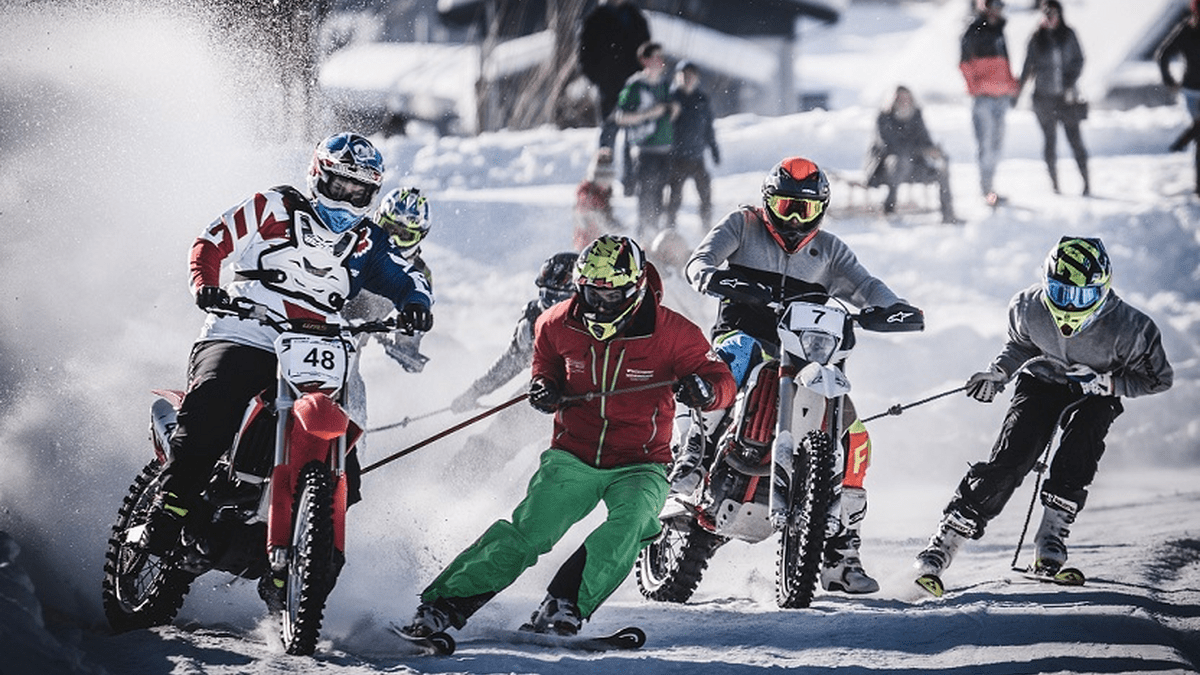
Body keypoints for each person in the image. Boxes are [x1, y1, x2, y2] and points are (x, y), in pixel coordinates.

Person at [399, 234, 735, 638]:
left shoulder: (673, 332)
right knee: (530, 532)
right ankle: (441, 606)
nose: (601, 306)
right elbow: (545, 367)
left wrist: (706, 391)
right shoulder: (555, 323)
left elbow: (722, 380)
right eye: (592, 295)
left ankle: (564, 604)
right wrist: (545, 387)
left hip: (640, 462)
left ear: (635, 289)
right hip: (574, 455)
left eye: (612, 296)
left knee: (635, 521)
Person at [144, 133, 435, 558]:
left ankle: (295, 555)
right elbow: (212, 240)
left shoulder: (368, 240)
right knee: (215, 404)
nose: (348, 198)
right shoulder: (273, 205)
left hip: (316, 346)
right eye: (340, 185)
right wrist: (205, 283)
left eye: (359, 191)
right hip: (246, 328)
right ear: (318, 175)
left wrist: (417, 305)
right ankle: (169, 505)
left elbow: (408, 277)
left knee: (347, 467)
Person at [681, 157, 923, 594]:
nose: (794, 219)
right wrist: (716, 278)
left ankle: (841, 554)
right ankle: (693, 451)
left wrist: (893, 308)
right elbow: (699, 262)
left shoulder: (829, 250)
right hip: (744, 338)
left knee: (856, 437)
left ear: (821, 210)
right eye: (785, 206)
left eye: (805, 209)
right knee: (736, 354)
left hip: (803, 357)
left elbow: (866, 285)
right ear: (767, 202)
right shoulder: (742, 225)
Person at [913, 237, 1173, 587]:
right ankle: (943, 544)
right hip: (1040, 382)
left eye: (1081, 296)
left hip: (1095, 391)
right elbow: (1021, 346)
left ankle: (1051, 536)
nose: (1070, 304)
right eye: (1060, 292)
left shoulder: (1132, 328)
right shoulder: (1027, 306)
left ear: (1103, 290)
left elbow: (1157, 379)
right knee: (1011, 459)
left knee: (1080, 450)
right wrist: (999, 373)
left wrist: (1108, 383)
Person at [343, 187, 436, 445]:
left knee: (355, 405)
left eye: (404, 235)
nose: (393, 240)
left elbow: (411, 332)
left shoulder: (419, 276)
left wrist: (407, 346)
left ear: (419, 237)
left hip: (351, 348)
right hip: (315, 324)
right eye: (389, 228)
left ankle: (353, 457)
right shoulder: (352, 240)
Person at [450, 252, 579, 415]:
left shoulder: (597, 320)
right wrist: (474, 392)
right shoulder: (534, 322)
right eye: (546, 295)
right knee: (511, 419)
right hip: (549, 392)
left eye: (559, 297)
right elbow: (510, 363)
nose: (551, 304)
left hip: (592, 400)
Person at [1017, 0, 1089, 196]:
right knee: (1050, 143)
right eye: (1046, 13)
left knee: (1075, 141)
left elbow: (1079, 60)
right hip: (1044, 99)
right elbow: (1027, 68)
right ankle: (1055, 185)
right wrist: (1017, 93)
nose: (1050, 17)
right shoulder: (1036, 39)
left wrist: (1070, 81)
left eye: (1053, 13)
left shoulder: (1069, 35)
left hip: (1067, 98)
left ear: (1059, 15)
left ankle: (1086, 182)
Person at [864, 85, 960, 224]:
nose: (904, 102)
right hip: (886, 170)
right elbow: (889, 147)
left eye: (907, 98)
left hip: (915, 168)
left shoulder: (916, 115)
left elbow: (925, 140)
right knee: (901, 160)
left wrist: (934, 151)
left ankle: (948, 214)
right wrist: (920, 150)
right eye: (900, 98)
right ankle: (889, 206)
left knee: (942, 164)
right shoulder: (884, 118)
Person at [960, 0, 1021, 206]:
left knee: (997, 146)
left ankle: (991, 187)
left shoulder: (999, 31)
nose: (997, 11)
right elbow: (964, 63)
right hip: (984, 99)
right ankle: (986, 190)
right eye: (993, 6)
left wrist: (1011, 85)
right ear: (985, 8)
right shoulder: (974, 30)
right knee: (985, 146)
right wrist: (975, 87)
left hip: (1002, 98)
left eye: (999, 7)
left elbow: (1004, 63)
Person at [616, 42, 679, 238]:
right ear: (645, 60)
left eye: (662, 57)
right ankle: (643, 235)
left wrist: (673, 110)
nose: (661, 61)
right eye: (656, 57)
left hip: (665, 149)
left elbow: (670, 113)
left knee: (660, 195)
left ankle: (655, 236)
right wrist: (649, 114)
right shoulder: (636, 85)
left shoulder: (665, 85)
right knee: (646, 195)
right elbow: (621, 118)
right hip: (644, 150)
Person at [578, 0, 651, 150]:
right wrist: (599, 79)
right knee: (609, 130)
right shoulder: (595, 18)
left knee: (634, 132)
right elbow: (584, 56)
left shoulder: (636, 17)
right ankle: (605, 163)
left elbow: (647, 50)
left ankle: (632, 165)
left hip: (634, 84)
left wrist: (644, 75)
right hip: (608, 86)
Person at [665, 61, 720, 230]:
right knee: (674, 196)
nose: (688, 79)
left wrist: (714, 149)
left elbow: (708, 127)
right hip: (677, 157)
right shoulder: (672, 98)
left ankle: (706, 227)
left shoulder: (702, 99)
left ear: (697, 78)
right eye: (684, 75)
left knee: (705, 194)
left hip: (697, 157)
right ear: (677, 77)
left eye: (691, 75)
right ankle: (670, 229)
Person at [1156, 0, 1200, 195]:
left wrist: (1169, 81)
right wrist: (1169, 80)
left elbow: (1163, 56)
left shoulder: (1185, 30)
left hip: (1190, 89)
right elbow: (1163, 55)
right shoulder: (1186, 31)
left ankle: (1184, 140)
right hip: (1192, 92)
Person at [572, 150, 622, 251]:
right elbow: (582, 208)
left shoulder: (606, 192)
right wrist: (594, 209)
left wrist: (614, 225)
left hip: (600, 244)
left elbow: (607, 219)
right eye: (601, 176)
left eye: (609, 176)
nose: (605, 181)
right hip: (584, 243)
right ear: (594, 175)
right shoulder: (586, 190)